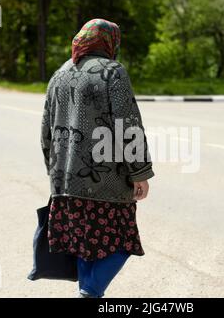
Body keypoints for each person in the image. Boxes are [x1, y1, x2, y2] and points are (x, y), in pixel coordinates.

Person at [40, 18, 154, 298]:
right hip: (107, 181)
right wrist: (139, 172)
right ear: (110, 42)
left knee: (84, 245)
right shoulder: (112, 72)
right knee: (123, 243)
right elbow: (127, 124)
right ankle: (89, 292)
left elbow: (46, 132)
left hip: (65, 181)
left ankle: (89, 292)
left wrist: (55, 173)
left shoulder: (59, 74)